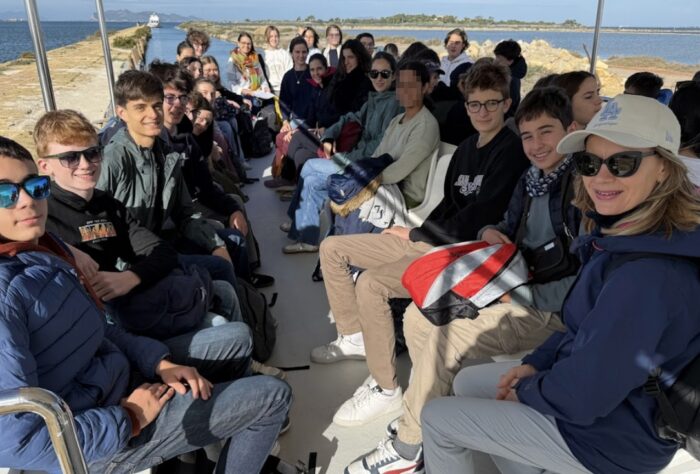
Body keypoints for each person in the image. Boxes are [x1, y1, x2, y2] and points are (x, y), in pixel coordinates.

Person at [421, 93, 700, 474]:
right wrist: (537, 363)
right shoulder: (622, 236)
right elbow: (581, 328)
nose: (601, 177)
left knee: (439, 418)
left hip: (614, 437)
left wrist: (529, 390)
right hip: (609, 403)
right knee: (470, 381)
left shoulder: (647, 275)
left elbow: (585, 396)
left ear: (664, 168)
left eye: (623, 163)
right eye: (588, 162)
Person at [0, 136, 291, 473]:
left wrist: (158, 362)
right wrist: (130, 416)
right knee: (272, 397)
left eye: (34, 187)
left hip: (115, 381)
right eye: (5, 193)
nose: (26, 201)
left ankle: (218, 448)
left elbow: (101, 333)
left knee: (237, 339)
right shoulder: (10, 289)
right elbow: (18, 441)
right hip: (98, 438)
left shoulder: (44, 251)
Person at [345, 86, 581, 473]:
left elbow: (587, 279)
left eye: (546, 132)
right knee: (418, 315)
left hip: (551, 309)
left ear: (570, 130)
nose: (536, 145)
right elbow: (504, 224)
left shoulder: (580, 191)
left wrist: (520, 297)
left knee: (446, 337)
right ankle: (426, 415)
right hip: (513, 282)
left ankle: (409, 447)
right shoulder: (531, 180)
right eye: (527, 135)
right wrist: (490, 231)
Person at [311, 61, 528, 428]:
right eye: (475, 104)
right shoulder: (467, 149)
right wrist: (414, 231)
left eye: (491, 103)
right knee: (333, 249)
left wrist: (419, 237)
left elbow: (481, 214)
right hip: (436, 240)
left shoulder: (511, 151)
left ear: (507, 104)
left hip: (469, 255)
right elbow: (448, 206)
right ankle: (353, 336)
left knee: (371, 284)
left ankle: (386, 388)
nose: (482, 112)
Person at [36, 109, 241, 328]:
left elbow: (162, 252)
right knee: (225, 327)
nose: (85, 164)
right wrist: (63, 248)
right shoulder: (41, 213)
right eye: (70, 158)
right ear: (45, 166)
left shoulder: (108, 204)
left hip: (130, 300)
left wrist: (131, 277)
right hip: (100, 322)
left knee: (224, 291)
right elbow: (18, 246)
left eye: (92, 153)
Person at [97, 70, 237, 289]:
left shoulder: (167, 155)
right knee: (221, 271)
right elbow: (100, 225)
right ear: (122, 113)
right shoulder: (112, 161)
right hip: (135, 261)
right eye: (140, 107)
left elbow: (185, 213)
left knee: (233, 243)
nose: (153, 114)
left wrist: (216, 245)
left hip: (165, 243)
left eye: (156, 105)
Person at [280, 55, 405, 253]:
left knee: (310, 166)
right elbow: (349, 117)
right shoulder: (373, 99)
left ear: (394, 76)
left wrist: (346, 158)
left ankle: (298, 224)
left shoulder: (394, 104)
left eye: (384, 74)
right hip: (357, 160)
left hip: (367, 168)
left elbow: (381, 143)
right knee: (311, 180)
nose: (379, 78)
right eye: (374, 74)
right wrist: (330, 135)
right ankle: (305, 235)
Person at [278, 37, 314, 131]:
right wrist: (285, 121)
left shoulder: (314, 72)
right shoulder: (287, 77)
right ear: (291, 53)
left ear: (307, 53)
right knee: (281, 137)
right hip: (295, 120)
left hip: (313, 121)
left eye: (304, 52)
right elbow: (284, 102)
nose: (301, 55)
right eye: (297, 52)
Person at [227, 32, 271, 97]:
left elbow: (262, 79)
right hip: (242, 97)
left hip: (258, 94)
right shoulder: (233, 60)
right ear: (238, 43)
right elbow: (230, 83)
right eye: (243, 43)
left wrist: (266, 87)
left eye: (248, 44)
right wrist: (243, 91)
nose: (246, 46)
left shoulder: (255, 59)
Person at [494, 39, 527, 114]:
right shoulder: (514, 74)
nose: (495, 61)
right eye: (496, 57)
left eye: (499, 59)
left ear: (510, 61)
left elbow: (510, 106)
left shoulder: (510, 79)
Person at [262, 25, 293, 95]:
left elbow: (290, 72)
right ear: (267, 38)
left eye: (276, 36)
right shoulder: (263, 55)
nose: (274, 39)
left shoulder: (284, 54)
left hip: (283, 90)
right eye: (271, 36)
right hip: (269, 91)